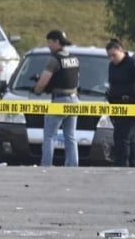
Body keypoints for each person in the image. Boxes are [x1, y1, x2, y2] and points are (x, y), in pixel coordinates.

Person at [33, 30, 80, 167]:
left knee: (49, 136)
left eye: (49, 42)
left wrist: (36, 89)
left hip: (60, 101)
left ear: (56, 42)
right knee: (70, 136)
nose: (48, 45)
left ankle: (46, 166)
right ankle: (73, 166)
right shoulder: (74, 58)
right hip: (74, 99)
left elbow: (43, 81)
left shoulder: (54, 59)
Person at [106, 38, 135, 167]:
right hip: (117, 107)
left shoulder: (133, 64)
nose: (111, 58)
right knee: (131, 138)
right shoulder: (112, 66)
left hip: (131, 105)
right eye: (109, 56)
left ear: (121, 50)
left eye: (114, 55)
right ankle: (134, 165)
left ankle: (122, 165)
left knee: (121, 137)